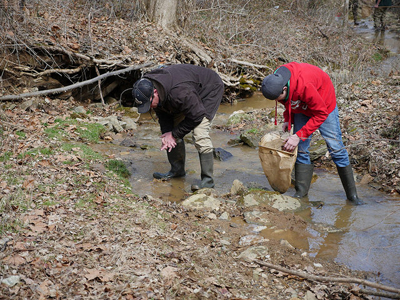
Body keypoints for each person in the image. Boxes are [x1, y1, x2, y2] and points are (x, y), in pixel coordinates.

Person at [261, 62, 363, 205]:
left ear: (284, 88)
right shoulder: (276, 79)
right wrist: (288, 119)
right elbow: (287, 102)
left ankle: (352, 197)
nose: (279, 101)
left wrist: (298, 135)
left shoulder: (305, 85)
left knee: (336, 149)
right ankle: (301, 194)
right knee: (301, 150)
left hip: (324, 105)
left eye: (279, 98)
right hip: (302, 106)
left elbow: (321, 114)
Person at [132, 64, 224, 191]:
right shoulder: (149, 86)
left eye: (149, 103)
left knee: (199, 134)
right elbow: (163, 114)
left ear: (155, 92)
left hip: (209, 88)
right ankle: (177, 171)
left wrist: (174, 135)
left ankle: (208, 182)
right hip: (188, 93)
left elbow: (197, 115)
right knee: (171, 131)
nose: (150, 107)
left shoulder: (179, 92)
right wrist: (168, 134)